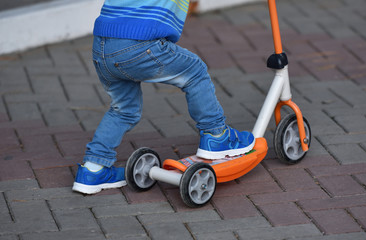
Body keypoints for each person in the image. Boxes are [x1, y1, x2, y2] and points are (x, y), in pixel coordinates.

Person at [72, 0, 255, 194]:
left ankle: (93, 169)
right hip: (139, 43)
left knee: (123, 110)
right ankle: (216, 135)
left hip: (102, 45)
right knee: (195, 72)